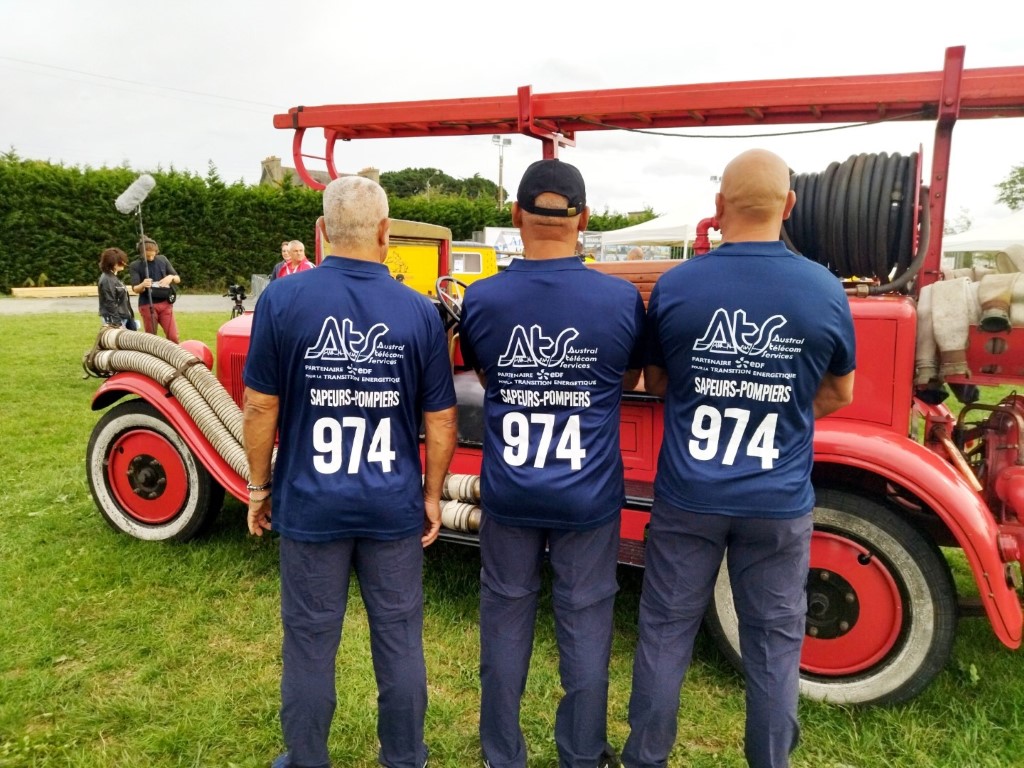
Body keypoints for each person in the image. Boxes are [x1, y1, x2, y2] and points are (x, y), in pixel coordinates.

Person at [621, 149, 856, 768]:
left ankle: (645, 758)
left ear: (719, 206)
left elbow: (656, 382)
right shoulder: (824, 289)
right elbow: (840, 392)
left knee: (665, 632)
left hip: (689, 497)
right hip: (777, 503)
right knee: (774, 644)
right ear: (789, 205)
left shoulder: (677, 285)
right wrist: (777, 408)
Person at [242, 175, 458, 768]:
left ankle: (307, 758)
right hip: (391, 504)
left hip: (311, 503)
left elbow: (259, 405)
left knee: (310, 640)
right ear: (386, 233)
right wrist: (433, 495)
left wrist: (258, 487)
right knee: (399, 637)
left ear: (321, 231)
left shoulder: (282, 300)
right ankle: (405, 757)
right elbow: (441, 417)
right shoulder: (418, 310)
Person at [459, 159, 646, 768]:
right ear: (583, 219)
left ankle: (501, 754)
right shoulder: (619, 298)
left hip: (510, 490)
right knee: (586, 622)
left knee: (504, 618)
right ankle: (583, 754)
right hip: (587, 494)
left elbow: (485, 373)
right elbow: (629, 378)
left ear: (517, 216)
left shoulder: (482, 298)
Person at [129, 236, 181, 343]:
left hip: (165, 304)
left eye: (153, 254)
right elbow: (135, 289)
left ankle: (172, 353)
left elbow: (177, 279)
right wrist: (143, 284)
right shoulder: (135, 265)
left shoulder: (163, 259)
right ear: (141, 253)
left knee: (173, 337)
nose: (151, 258)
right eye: (148, 256)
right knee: (152, 339)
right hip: (147, 305)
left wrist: (171, 277)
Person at [97, 247, 136, 329]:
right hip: (116, 319)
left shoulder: (113, 278)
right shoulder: (107, 280)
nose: (124, 263)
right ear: (113, 263)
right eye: (121, 261)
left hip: (123, 316)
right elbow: (110, 301)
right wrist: (117, 323)